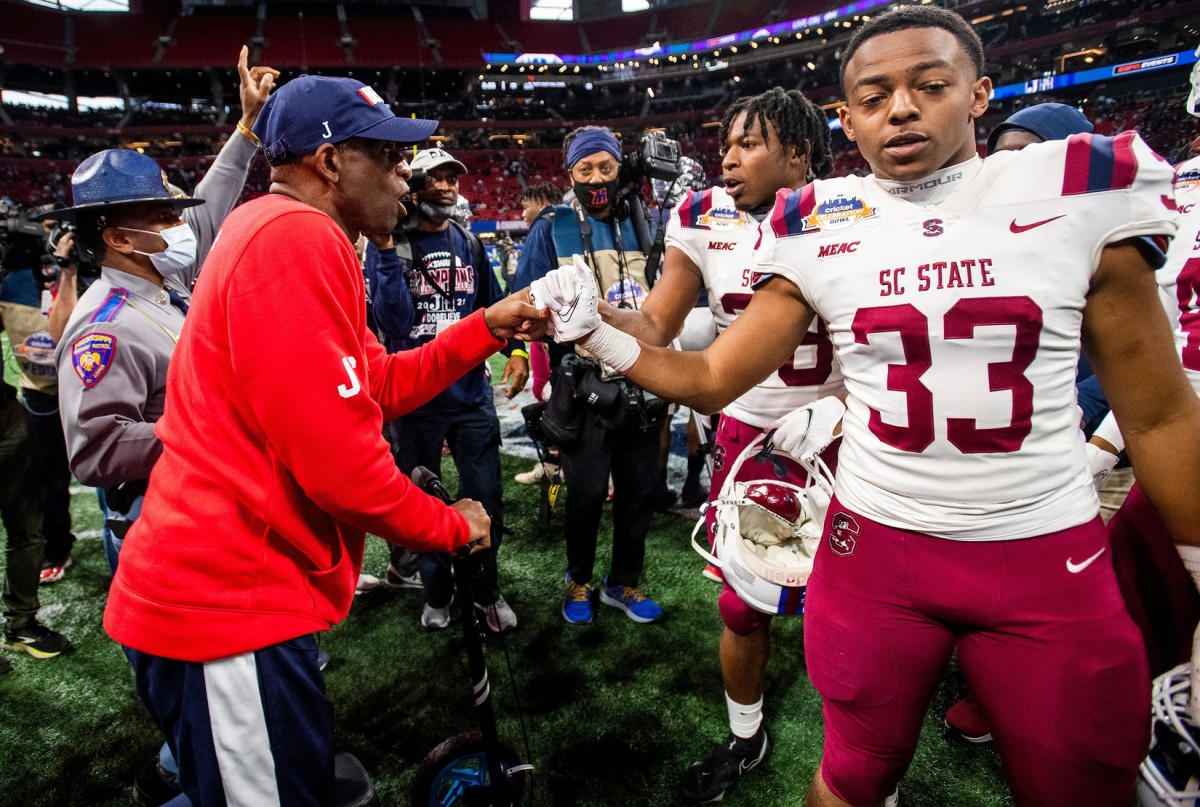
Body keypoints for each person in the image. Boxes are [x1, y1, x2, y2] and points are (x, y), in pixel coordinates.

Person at [531, 7, 1200, 805]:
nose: (902, 109)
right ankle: (747, 731)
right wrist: (597, 333)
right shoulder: (817, 224)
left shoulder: (1078, 189)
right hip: (879, 543)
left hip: (1042, 546)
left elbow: (1160, 414)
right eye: (876, 97)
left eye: (930, 86)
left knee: (1079, 784)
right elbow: (711, 374)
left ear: (979, 93)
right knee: (850, 773)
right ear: (847, 120)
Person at [101, 74, 543, 805]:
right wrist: (449, 526)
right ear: (331, 161)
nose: (406, 175)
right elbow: (342, 469)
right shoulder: (295, 238)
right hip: (228, 608)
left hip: (231, 596)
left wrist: (484, 328)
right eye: (390, 157)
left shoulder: (285, 229)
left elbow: (375, 383)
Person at [572, 87, 842, 801]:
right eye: (725, 143)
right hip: (747, 432)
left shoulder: (852, 211)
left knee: (852, 603)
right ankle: (745, 735)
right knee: (740, 604)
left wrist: (842, 407)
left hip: (841, 434)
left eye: (749, 144)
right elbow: (656, 326)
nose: (727, 158)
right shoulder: (701, 215)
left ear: (799, 152)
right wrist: (590, 315)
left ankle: (858, 747)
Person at [54, 47, 278, 574]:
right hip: (158, 521)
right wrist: (213, 428)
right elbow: (96, 452)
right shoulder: (106, 328)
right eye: (163, 216)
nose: (181, 226)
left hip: (198, 499)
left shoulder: (161, 278)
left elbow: (211, 202)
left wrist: (247, 127)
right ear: (118, 238)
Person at [367, 146, 525, 632]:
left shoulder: (468, 241)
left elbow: (492, 305)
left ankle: (485, 592)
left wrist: (517, 352)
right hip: (415, 400)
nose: (445, 186)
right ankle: (437, 592)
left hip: (471, 396)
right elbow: (394, 322)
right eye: (433, 178)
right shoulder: (390, 244)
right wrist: (387, 250)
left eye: (451, 178)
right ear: (413, 188)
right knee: (422, 504)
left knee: (486, 498)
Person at [514, 125, 666, 625]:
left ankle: (624, 581)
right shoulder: (552, 226)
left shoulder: (645, 220)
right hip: (585, 387)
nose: (597, 178)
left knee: (639, 492)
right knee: (584, 494)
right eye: (586, 169)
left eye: (606, 167)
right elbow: (523, 300)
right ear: (570, 174)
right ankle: (577, 579)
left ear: (621, 168)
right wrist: (532, 348)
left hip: (645, 380)